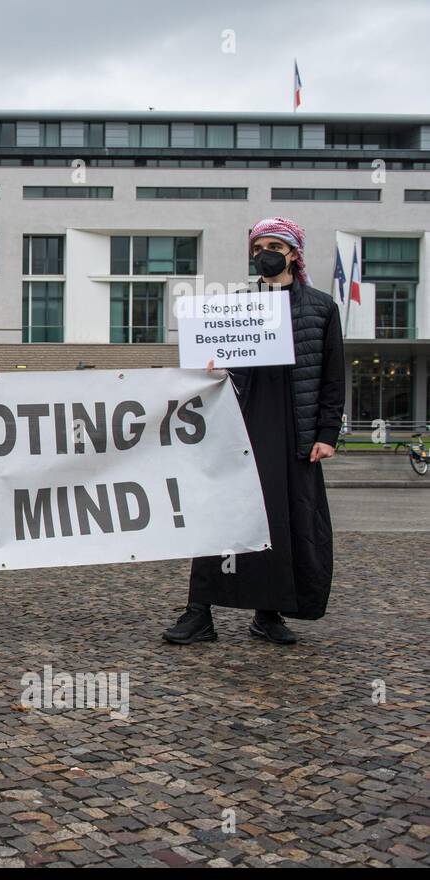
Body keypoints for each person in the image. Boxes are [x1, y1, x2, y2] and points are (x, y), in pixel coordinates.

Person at [164, 216, 343, 647]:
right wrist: (211, 367)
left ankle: (269, 612)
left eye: (275, 246)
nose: (266, 252)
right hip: (241, 426)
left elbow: (333, 379)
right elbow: (216, 370)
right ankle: (198, 611)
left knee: (280, 523)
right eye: (260, 245)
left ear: (294, 254)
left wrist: (327, 434)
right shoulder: (236, 306)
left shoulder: (321, 308)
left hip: (294, 432)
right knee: (223, 514)